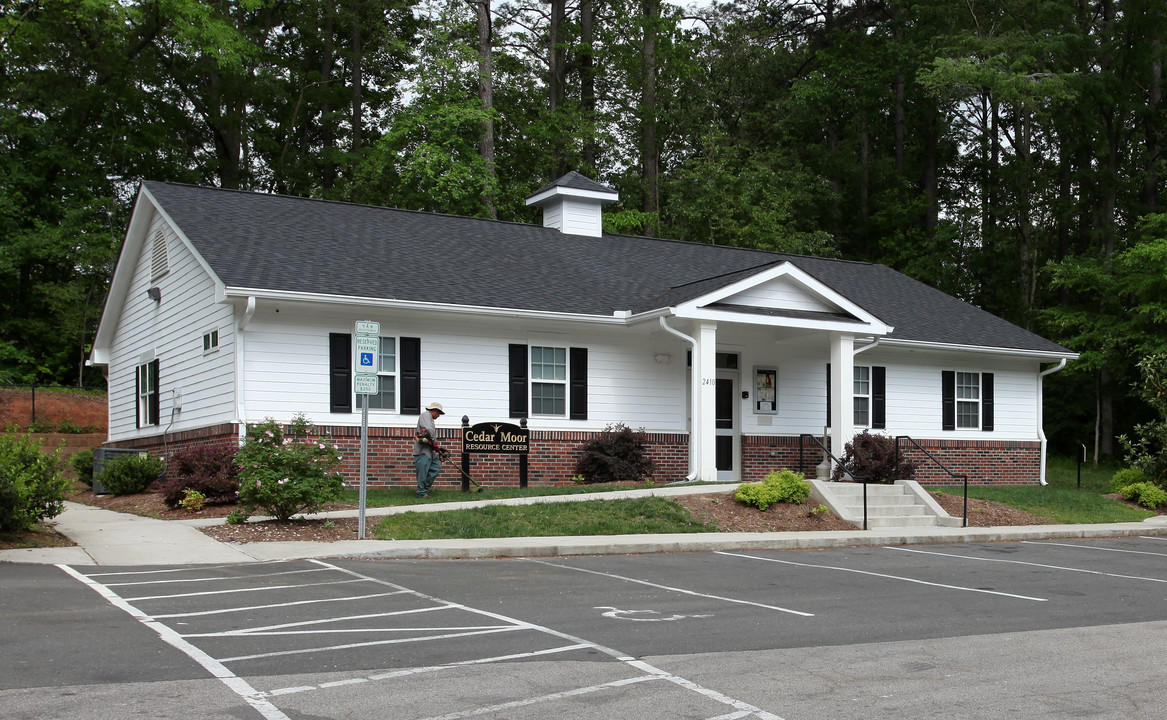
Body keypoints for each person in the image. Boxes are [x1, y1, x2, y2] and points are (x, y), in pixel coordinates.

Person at [413, 402, 447, 497]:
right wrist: (435, 444)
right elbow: (428, 431)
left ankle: (424, 489)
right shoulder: (425, 415)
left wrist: (437, 447)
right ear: (435, 410)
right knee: (422, 473)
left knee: (436, 467)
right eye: (439, 413)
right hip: (422, 451)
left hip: (430, 451)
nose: (438, 416)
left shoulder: (430, 419)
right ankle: (421, 493)